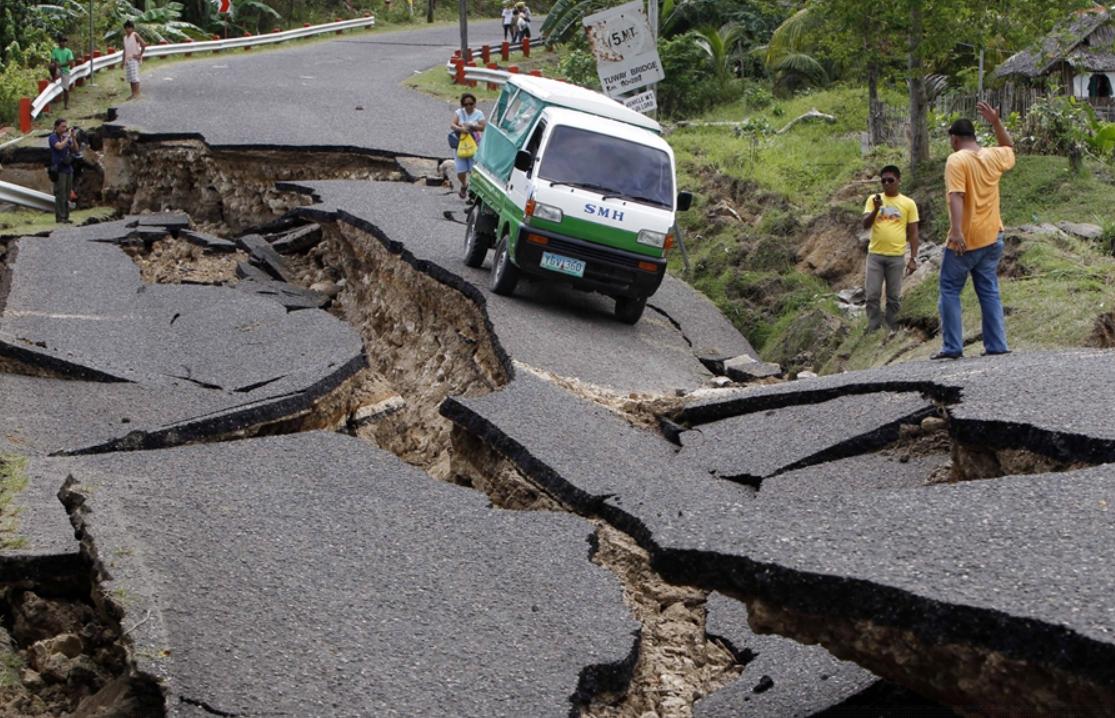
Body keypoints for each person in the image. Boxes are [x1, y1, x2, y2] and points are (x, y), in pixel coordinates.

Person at [932, 101, 1015, 360]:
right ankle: (996, 344)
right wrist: (996, 122)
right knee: (988, 289)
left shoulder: (957, 160)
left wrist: (956, 232)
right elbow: (1009, 147)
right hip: (993, 237)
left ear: (955, 139)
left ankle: (952, 346)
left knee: (949, 288)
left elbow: (956, 195)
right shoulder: (993, 155)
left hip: (967, 239)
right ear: (973, 137)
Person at [861, 165, 919, 334]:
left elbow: (914, 233)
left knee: (893, 296)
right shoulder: (873, 199)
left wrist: (913, 258)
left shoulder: (908, 203)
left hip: (896, 256)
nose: (886, 184)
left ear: (898, 181)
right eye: (883, 181)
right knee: (872, 294)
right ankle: (873, 326)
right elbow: (865, 224)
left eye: (890, 180)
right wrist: (877, 208)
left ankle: (891, 326)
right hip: (875, 255)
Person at [450, 93, 486, 199]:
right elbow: (452, 125)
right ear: (463, 105)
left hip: (474, 145)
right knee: (461, 170)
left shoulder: (479, 113)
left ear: (474, 104)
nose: (469, 106)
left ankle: (473, 192)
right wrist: (461, 129)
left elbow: (483, 127)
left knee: (472, 170)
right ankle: (464, 185)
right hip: (461, 144)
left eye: (471, 104)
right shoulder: (459, 113)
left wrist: (472, 126)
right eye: (466, 104)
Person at [48, 118, 79, 224]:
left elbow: (75, 149)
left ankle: (66, 216)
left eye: (65, 126)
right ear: (56, 127)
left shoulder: (65, 137)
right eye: (62, 126)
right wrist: (68, 137)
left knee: (67, 194)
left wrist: (73, 138)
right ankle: (60, 217)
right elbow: (59, 146)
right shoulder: (53, 137)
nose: (64, 128)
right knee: (60, 193)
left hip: (68, 168)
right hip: (59, 169)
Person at [122, 20, 147, 100]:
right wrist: (123, 61)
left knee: (135, 76)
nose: (127, 29)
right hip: (127, 59)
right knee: (130, 77)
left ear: (132, 28)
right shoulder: (125, 38)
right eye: (126, 28)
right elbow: (125, 50)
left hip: (134, 58)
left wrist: (140, 55)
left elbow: (143, 44)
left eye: (129, 28)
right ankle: (133, 93)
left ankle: (137, 93)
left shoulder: (135, 35)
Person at [49, 36, 75, 110]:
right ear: (59, 42)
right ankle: (53, 77)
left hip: (65, 70)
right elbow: (52, 60)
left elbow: (70, 62)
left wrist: (61, 64)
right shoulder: (55, 50)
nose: (63, 43)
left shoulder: (68, 51)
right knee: (52, 66)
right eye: (61, 41)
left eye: (64, 41)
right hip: (58, 69)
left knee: (66, 89)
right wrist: (57, 64)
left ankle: (66, 105)